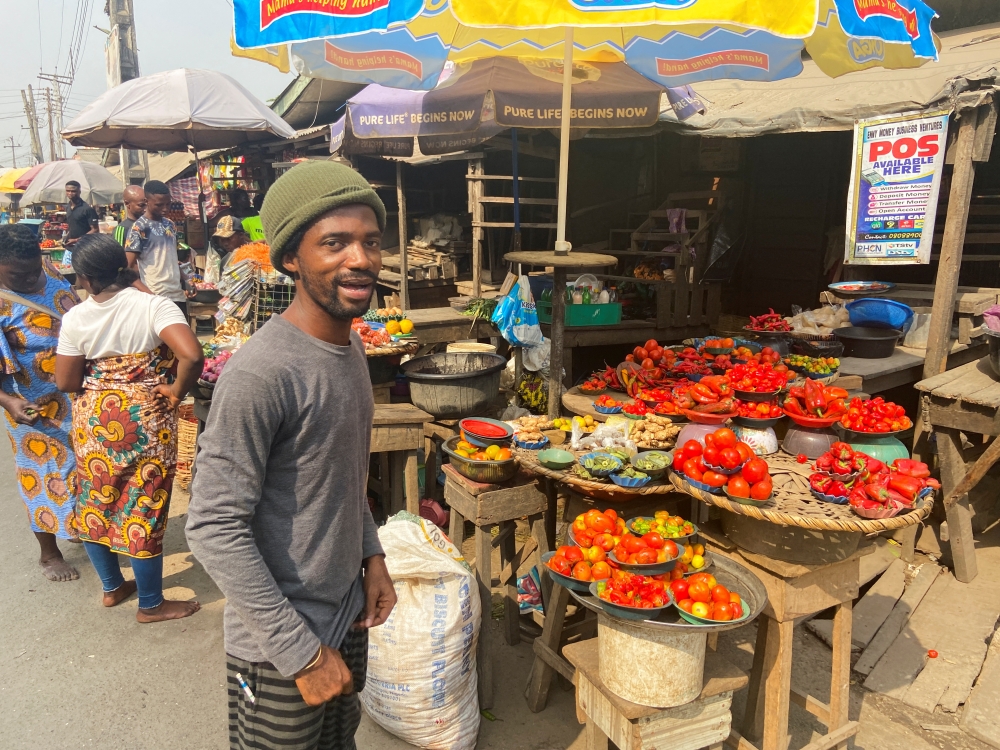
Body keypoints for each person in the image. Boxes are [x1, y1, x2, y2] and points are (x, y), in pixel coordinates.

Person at [186, 161, 397, 750]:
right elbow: (212, 527)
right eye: (334, 243)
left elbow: (342, 478)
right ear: (290, 260)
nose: (360, 259)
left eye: (371, 242)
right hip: (279, 644)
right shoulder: (263, 372)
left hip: (346, 611)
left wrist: (371, 556)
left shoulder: (349, 348)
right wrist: (303, 656)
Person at [54, 234, 204, 622]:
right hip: (145, 419)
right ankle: (151, 604)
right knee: (144, 503)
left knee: (95, 499)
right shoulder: (155, 306)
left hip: (95, 421)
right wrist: (173, 392)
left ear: (84, 277)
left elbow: (67, 383)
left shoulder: (75, 318)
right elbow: (191, 354)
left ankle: (111, 587)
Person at [0, 224, 80, 581]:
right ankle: (49, 554)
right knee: (42, 475)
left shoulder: (45, 268)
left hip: (75, 392)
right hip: (31, 407)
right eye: (19, 274)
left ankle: (84, 526)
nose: (31, 278)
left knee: (84, 466)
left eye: (34, 269)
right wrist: (7, 402)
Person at [125, 180, 190, 315]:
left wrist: (187, 279)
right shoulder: (139, 228)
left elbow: (170, 259)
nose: (165, 209)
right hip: (155, 297)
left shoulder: (170, 225)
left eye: (168, 204)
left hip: (176, 294)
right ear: (146, 201)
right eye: (159, 205)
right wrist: (148, 293)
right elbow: (127, 268)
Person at [64, 180, 99, 245]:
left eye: (73, 191)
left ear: (79, 192)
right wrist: (66, 234)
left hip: (85, 246)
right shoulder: (68, 207)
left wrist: (77, 240)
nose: (70, 193)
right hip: (70, 245)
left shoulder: (87, 209)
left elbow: (95, 230)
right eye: (68, 191)